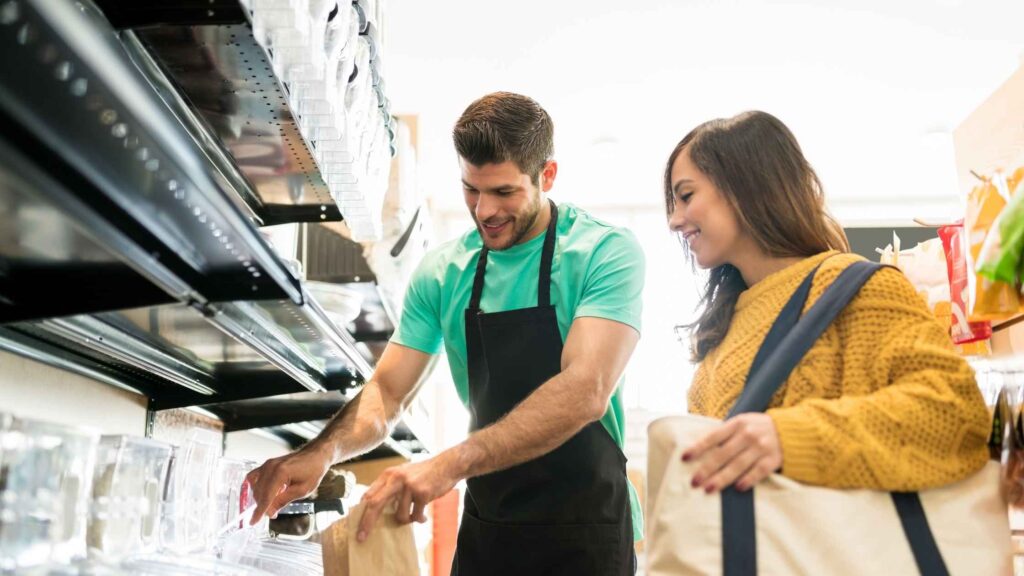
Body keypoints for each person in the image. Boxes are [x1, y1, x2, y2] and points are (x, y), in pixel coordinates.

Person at [247, 92, 645, 575]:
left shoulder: (603, 251)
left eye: (504, 192)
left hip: (586, 530)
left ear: (548, 176)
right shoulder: (443, 271)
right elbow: (388, 392)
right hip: (489, 529)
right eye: (470, 190)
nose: (484, 211)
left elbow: (586, 390)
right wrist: (323, 451)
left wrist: (446, 465)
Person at [663, 110, 989, 494]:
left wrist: (789, 438)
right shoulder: (727, 321)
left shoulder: (857, 290)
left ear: (744, 187)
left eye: (686, 196)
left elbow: (957, 414)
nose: (673, 220)